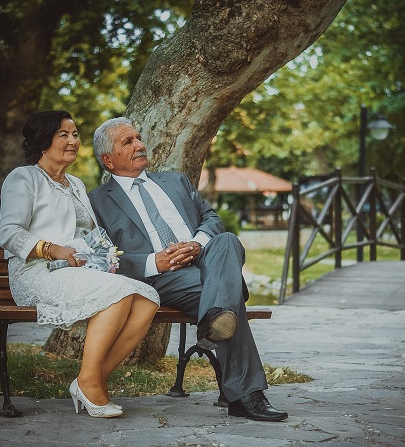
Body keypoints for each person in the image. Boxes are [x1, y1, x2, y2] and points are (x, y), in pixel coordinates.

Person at [88, 117, 288, 422]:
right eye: (128, 142)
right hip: (162, 277)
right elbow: (102, 257)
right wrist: (155, 261)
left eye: (138, 138)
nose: (140, 145)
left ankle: (214, 320)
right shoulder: (98, 202)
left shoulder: (176, 181)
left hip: (207, 260)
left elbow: (213, 220)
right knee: (228, 299)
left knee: (227, 240)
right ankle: (246, 394)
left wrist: (196, 245)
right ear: (108, 160)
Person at [0, 111, 160, 419]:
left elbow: (88, 234)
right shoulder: (24, 178)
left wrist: (104, 257)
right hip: (36, 272)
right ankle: (89, 383)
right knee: (120, 294)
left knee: (147, 300)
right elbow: (8, 233)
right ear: (44, 142)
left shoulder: (76, 184)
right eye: (64, 135)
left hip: (78, 272)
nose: (73, 141)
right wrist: (52, 249)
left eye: (74, 134)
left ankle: (90, 379)